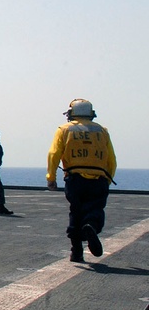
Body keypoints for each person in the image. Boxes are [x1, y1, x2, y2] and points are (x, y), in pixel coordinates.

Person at [46, 98, 117, 263]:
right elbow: (111, 158)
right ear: (91, 114)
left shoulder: (64, 130)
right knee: (95, 209)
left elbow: (53, 154)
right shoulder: (102, 131)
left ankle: (76, 252)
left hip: (75, 179)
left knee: (75, 212)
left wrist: (51, 178)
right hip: (98, 178)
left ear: (71, 113)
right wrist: (107, 179)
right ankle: (91, 226)